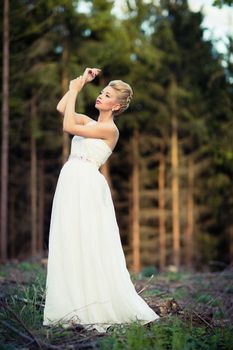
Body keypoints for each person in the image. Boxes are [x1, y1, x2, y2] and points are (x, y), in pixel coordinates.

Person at [43, 68, 160, 333]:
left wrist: (74, 91)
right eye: (100, 92)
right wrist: (81, 82)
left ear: (116, 105)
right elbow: (62, 108)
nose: (100, 96)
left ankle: (93, 304)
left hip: (86, 184)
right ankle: (70, 305)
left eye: (106, 95)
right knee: (68, 239)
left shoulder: (109, 130)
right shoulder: (90, 122)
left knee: (87, 240)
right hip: (70, 180)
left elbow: (67, 126)